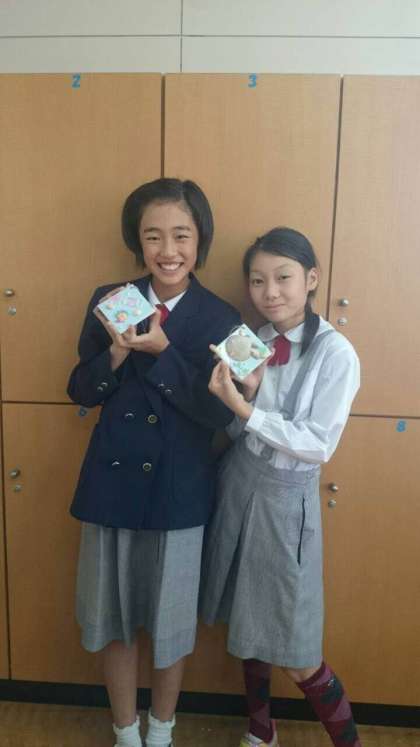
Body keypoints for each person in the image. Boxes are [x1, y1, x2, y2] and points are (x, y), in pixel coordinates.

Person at [67, 178, 240, 747]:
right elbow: (81, 390)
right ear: (136, 242)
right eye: (153, 236)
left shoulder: (220, 317)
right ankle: (125, 732)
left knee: (170, 626)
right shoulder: (111, 299)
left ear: (200, 240)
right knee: (114, 622)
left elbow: (217, 415)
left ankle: (161, 732)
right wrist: (117, 352)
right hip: (111, 487)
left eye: (181, 235)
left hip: (178, 490)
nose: (168, 250)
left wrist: (164, 355)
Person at [200, 227, 361, 747]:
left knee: (296, 646)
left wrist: (246, 409)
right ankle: (260, 729)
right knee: (246, 620)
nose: (270, 292)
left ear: (311, 279)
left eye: (283, 277)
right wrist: (238, 402)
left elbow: (317, 443)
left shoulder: (337, 353)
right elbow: (234, 431)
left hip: (286, 501)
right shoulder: (254, 341)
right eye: (257, 280)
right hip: (238, 484)